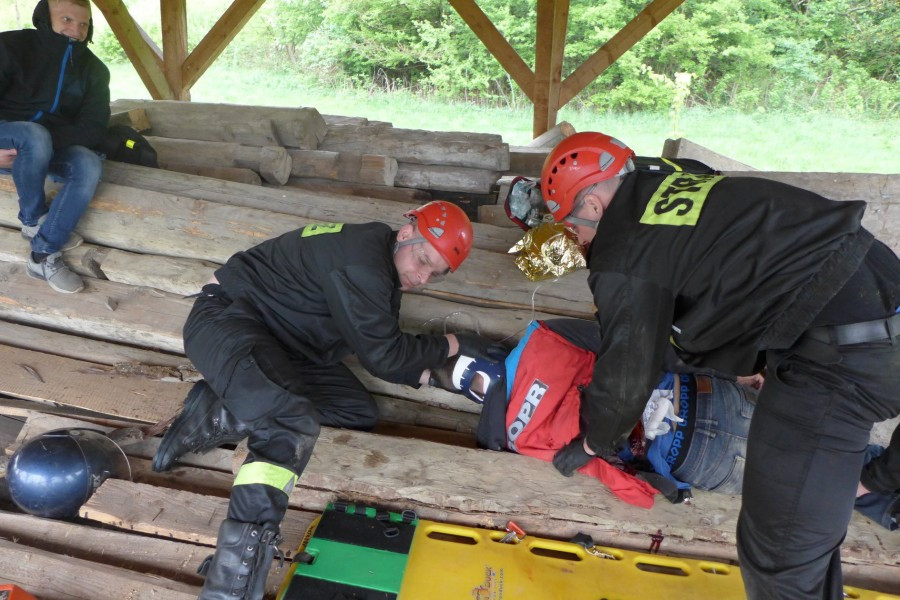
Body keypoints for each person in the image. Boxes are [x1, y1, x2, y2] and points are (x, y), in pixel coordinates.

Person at [537, 132, 900, 599]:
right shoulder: (676, 178)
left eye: (574, 229)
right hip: (877, 280)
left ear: (590, 206)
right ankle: (880, 483)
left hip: (836, 356)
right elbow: (733, 265)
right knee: (822, 509)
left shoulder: (621, 250)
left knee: (780, 555)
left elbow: (628, 374)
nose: (580, 241)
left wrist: (593, 442)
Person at [152, 202, 499, 600]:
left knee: (356, 410)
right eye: (422, 260)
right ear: (407, 233)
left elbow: (382, 349)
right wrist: (454, 343)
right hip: (228, 322)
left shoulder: (380, 263)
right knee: (289, 422)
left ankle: (216, 412)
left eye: (433, 274)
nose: (422, 276)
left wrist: (436, 375)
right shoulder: (363, 264)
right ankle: (231, 582)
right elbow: (384, 355)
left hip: (280, 348)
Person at [428, 319, 898, 530]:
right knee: (844, 454)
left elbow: (610, 475)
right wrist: (731, 371)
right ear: (487, 347)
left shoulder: (507, 438)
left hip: (696, 459)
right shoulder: (546, 337)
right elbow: (645, 347)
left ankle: (882, 500)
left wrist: (666, 490)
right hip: (706, 399)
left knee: (822, 484)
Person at [0, 0, 109, 294]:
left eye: (83, 24)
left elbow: (94, 127)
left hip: (42, 147)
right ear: (46, 19)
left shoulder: (95, 71)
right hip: (5, 136)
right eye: (66, 20)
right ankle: (33, 217)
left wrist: (43, 146)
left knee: (89, 163)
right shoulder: (11, 45)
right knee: (32, 135)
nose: (75, 30)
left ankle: (43, 253)